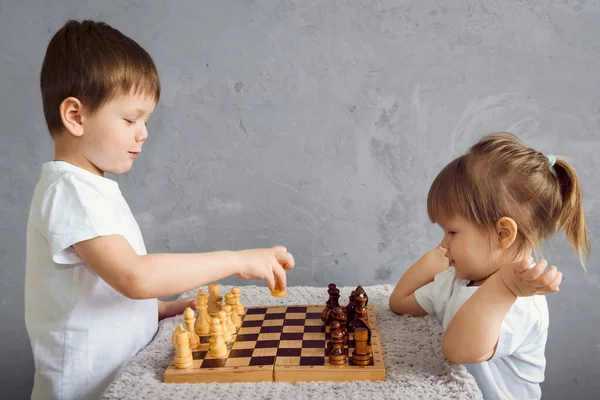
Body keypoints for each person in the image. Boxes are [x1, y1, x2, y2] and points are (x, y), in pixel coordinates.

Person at [25, 20, 294, 400]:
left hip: (118, 378)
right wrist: (237, 259)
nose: (143, 132)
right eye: (130, 119)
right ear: (75, 116)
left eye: (146, 120)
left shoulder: (90, 189)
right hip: (84, 390)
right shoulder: (69, 191)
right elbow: (135, 277)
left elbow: (101, 287)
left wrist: (157, 310)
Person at [389, 132, 590, 399]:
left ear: (503, 234)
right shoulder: (458, 280)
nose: (444, 243)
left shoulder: (520, 301)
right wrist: (434, 257)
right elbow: (400, 302)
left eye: (452, 232)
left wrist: (504, 287)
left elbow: (460, 351)